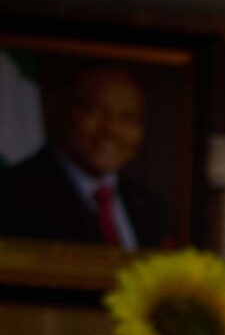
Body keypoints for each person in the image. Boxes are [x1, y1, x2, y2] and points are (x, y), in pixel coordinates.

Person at [0, 65, 170, 248]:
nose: (111, 129)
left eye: (127, 118)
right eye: (94, 110)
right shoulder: (11, 196)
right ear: (60, 111)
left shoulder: (150, 208)